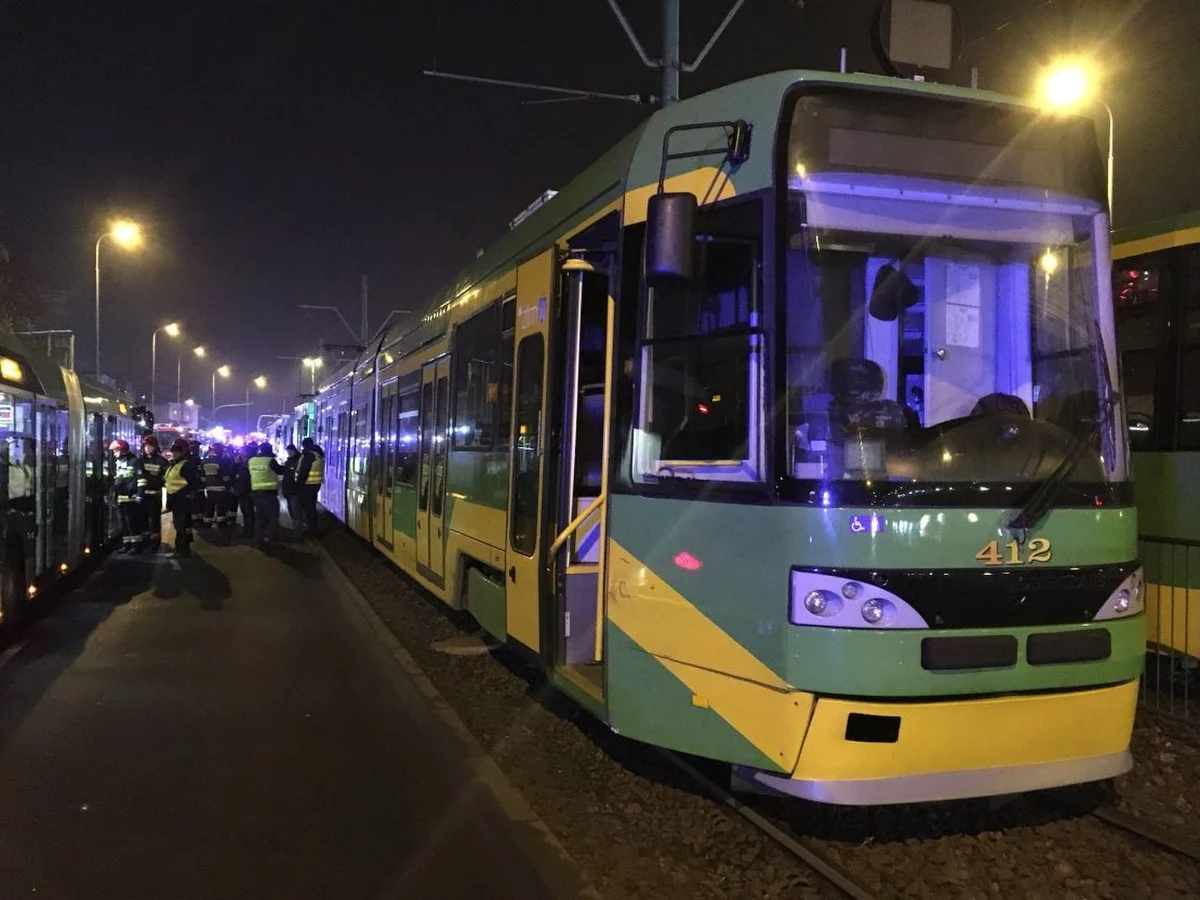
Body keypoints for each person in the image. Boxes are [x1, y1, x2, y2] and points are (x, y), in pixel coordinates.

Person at [164, 438, 204, 559]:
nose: (174, 453)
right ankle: (183, 550)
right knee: (182, 526)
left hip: (181, 501)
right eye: (173, 451)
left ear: (184, 452)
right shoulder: (175, 464)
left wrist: (180, 494)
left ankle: (181, 550)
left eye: (178, 451)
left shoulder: (186, 465)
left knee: (181, 527)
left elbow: (194, 483)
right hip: (176, 501)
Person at [249, 442, 286, 551]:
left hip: (256, 493)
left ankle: (258, 542)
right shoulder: (270, 461)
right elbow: (280, 470)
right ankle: (272, 541)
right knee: (273, 518)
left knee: (259, 519)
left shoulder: (252, 460)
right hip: (269, 494)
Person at [109, 439, 144, 554]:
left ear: (122, 450)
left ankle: (136, 546)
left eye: (115, 450)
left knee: (132, 523)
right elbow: (118, 480)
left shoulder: (134, 461)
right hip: (121, 498)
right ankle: (127, 544)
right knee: (123, 523)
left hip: (131, 499)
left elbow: (141, 480)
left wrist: (139, 494)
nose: (114, 453)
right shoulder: (119, 462)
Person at [137, 434, 168, 550]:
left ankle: (155, 542)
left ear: (155, 447)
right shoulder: (140, 460)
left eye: (150, 446)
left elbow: (166, 478)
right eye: (146, 446)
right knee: (142, 520)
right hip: (143, 495)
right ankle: (145, 540)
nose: (148, 448)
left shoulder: (161, 461)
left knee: (154, 520)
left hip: (155, 495)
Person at [294, 436, 325, 537]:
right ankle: (313, 529)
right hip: (315, 485)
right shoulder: (318, 454)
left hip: (307, 485)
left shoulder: (309, 455)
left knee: (307, 509)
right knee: (311, 508)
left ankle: (310, 530)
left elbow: (303, 471)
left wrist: (298, 485)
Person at [201, 443, 229, 526]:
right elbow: (225, 475)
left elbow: (202, 475)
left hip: (209, 486)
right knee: (221, 506)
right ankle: (221, 522)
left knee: (209, 504)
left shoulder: (205, 461)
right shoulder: (222, 461)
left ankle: (207, 522)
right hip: (220, 486)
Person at [231, 448, 254, 538]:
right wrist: (235, 463)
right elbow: (232, 474)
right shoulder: (240, 464)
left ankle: (249, 532)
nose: (241, 453)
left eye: (243, 452)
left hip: (248, 492)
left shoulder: (249, 464)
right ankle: (246, 531)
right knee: (245, 513)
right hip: (241, 492)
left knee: (249, 513)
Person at [281, 443, 301, 528]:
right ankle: (296, 528)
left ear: (293, 451)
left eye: (289, 451)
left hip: (294, 490)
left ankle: (298, 530)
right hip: (288, 490)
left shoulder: (297, 461)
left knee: (295, 511)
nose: (288, 453)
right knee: (292, 511)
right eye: (287, 451)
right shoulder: (289, 461)